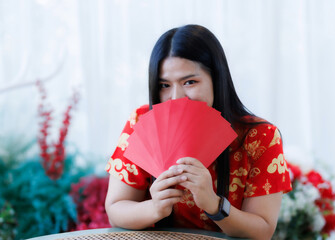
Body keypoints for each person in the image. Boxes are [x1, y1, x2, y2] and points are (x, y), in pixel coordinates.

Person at [105, 24, 292, 239]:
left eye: (190, 82)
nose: (176, 97)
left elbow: (263, 230)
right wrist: (154, 208)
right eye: (164, 85)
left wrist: (214, 205)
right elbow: (115, 209)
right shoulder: (141, 122)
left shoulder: (260, 137)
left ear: (217, 78)